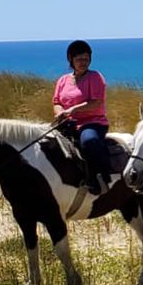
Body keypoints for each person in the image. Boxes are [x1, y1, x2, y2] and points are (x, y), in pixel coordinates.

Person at [52, 39, 113, 195]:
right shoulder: (63, 80)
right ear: (71, 60)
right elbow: (57, 101)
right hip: (68, 122)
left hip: (93, 122)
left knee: (89, 142)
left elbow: (96, 103)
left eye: (86, 59)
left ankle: (100, 178)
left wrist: (72, 110)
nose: (83, 63)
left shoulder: (95, 77)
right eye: (79, 59)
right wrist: (59, 112)